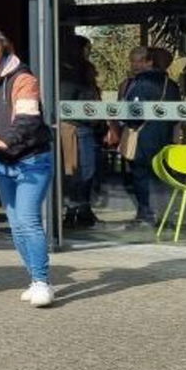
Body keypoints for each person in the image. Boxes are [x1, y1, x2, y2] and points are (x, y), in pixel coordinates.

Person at [0, 28, 56, 307]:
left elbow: (27, 121)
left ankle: (42, 282)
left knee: (29, 221)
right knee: (16, 224)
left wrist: (4, 141)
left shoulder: (23, 79)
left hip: (32, 161)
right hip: (3, 162)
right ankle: (34, 279)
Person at [106, 46, 180, 227]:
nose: (135, 65)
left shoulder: (141, 83)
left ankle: (146, 213)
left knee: (141, 175)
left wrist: (119, 124)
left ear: (150, 62)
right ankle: (164, 215)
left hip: (143, 137)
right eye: (133, 60)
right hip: (164, 136)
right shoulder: (170, 84)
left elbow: (131, 114)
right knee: (161, 176)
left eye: (140, 60)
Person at [60, 35, 102, 229]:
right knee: (79, 170)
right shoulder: (71, 72)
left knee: (81, 170)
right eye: (87, 48)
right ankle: (76, 209)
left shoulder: (73, 70)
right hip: (76, 126)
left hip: (81, 126)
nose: (89, 52)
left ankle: (80, 209)